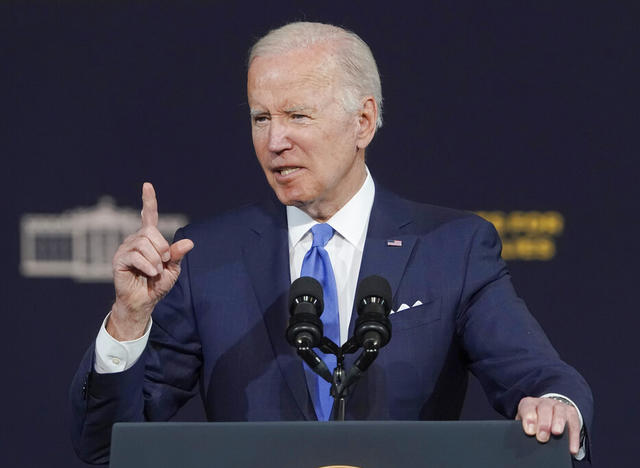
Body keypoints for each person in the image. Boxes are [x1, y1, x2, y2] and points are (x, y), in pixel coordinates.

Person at [70, 21, 593, 464]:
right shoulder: (208, 257)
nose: (275, 141)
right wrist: (128, 322)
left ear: (362, 121)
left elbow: (543, 378)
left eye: (297, 116)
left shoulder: (450, 248)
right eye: (261, 118)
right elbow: (109, 448)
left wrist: (554, 403)